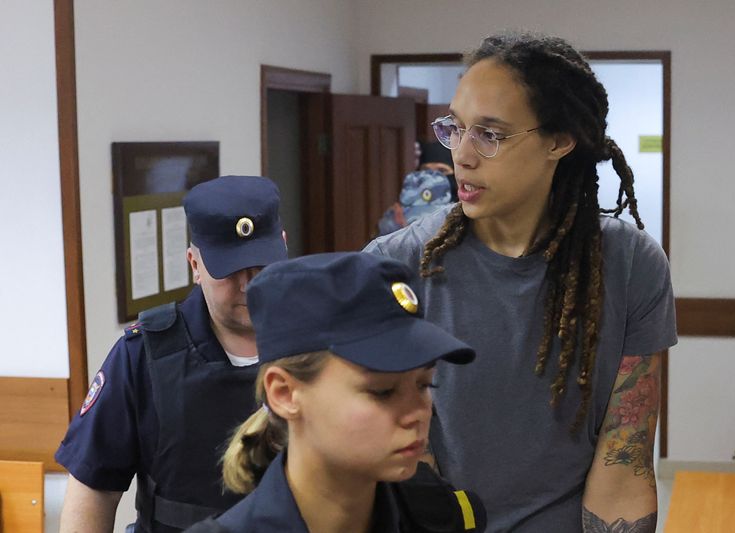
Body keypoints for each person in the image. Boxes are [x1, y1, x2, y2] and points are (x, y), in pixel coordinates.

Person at [365, 31, 677, 533]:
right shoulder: (395, 265)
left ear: (559, 140)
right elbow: (406, 467)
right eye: (455, 128)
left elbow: (625, 462)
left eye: (489, 134)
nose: (461, 156)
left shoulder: (630, 264)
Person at [185, 252, 486, 533]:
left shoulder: (438, 513)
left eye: (424, 384)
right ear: (284, 394)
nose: (418, 413)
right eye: (382, 391)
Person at [56, 175, 290, 533]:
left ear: (283, 249)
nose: (248, 282)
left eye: (261, 264)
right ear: (195, 265)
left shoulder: (318, 341)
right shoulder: (144, 355)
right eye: (230, 270)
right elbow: (93, 489)